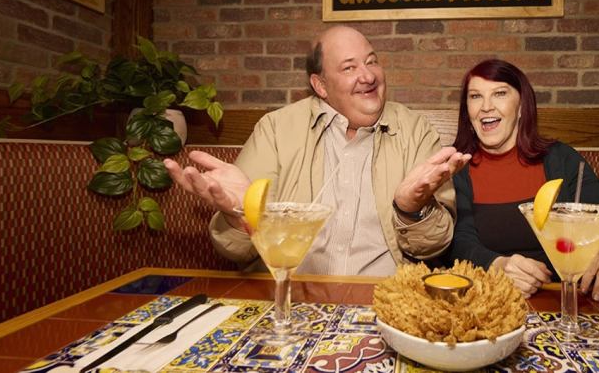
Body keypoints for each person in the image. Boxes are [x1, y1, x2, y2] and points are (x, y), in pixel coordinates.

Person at [164, 26, 471, 276]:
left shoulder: (415, 131)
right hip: (294, 297)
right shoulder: (276, 129)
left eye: (372, 61)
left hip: (385, 299)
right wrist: (239, 217)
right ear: (321, 85)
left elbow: (436, 244)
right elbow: (238, 250)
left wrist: (410, 209)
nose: (368, 76)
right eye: (349, 67)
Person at [447, 59, 599, 302]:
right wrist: (496, 266)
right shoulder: (456, 167)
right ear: (467, 111)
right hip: (487, 298)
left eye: (500, 93)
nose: (486, 106)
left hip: (562, 298)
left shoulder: (561, 159)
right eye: (475, 96)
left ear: (521, 106)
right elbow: (458, 242)